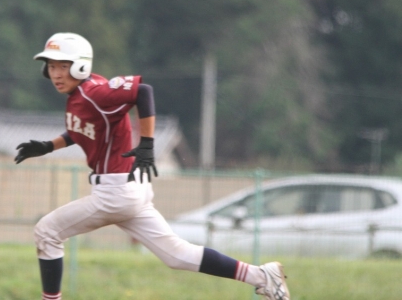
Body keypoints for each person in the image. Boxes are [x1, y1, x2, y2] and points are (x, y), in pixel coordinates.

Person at [14, 32, 291, 300]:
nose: (56, 73)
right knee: (176, 255)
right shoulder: (82, 95)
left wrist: (147, 143)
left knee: (47, 232)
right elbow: (84, 130)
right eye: (52, 66)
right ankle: (261, 276)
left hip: (115, 191)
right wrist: (49, 146)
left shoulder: (94, 92)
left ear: (80, 65)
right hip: (129, 188)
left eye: (63, 66)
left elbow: (142, 91)